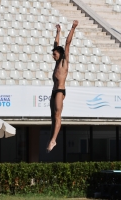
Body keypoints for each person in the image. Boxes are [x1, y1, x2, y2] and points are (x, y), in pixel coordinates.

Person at [46, 20, 78, 152]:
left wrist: (73, 28)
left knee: (58, 115)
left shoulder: (64, 61)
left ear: (60, 54)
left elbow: (67, 44)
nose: (53, 56)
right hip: (54, 91)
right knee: (53, 117)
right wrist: (58, 32)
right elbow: (56, 44)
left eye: (55, 54)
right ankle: (51, 137)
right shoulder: (57, 62)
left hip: (60, 91)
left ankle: (54, 140)